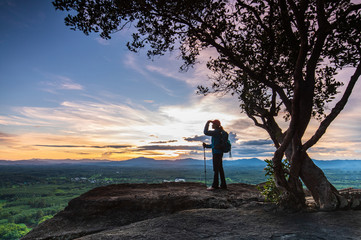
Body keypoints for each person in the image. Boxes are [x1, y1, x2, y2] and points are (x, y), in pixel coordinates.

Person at [203, 119, 227, 190]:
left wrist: (207, 122)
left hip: (216, 153)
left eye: (213, 124)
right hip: (219, 153)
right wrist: (207, 146)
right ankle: (223, 185)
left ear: (216, 125)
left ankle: (215, 186)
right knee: (220, 169)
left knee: (216, 169)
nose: (212, 125)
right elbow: (214, 145)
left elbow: (205, 132)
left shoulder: (216, 132)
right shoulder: (219, 132)